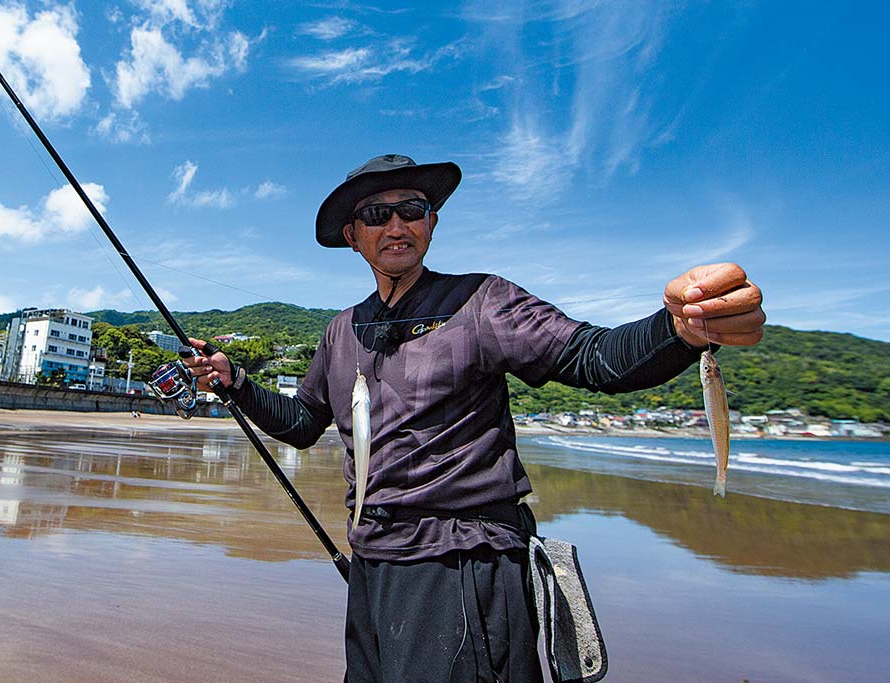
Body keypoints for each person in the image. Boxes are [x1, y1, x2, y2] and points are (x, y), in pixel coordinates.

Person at [184, 154, 765, 682]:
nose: (396, 226)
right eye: (377, 214)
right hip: (375, 562)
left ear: (431, 222)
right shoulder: (341, 331)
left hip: (465, 563)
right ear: (352, 236)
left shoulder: (483, 302)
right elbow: (304, 422)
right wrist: (238, 385)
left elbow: (594, 358)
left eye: (412, 210)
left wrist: (680, 329)